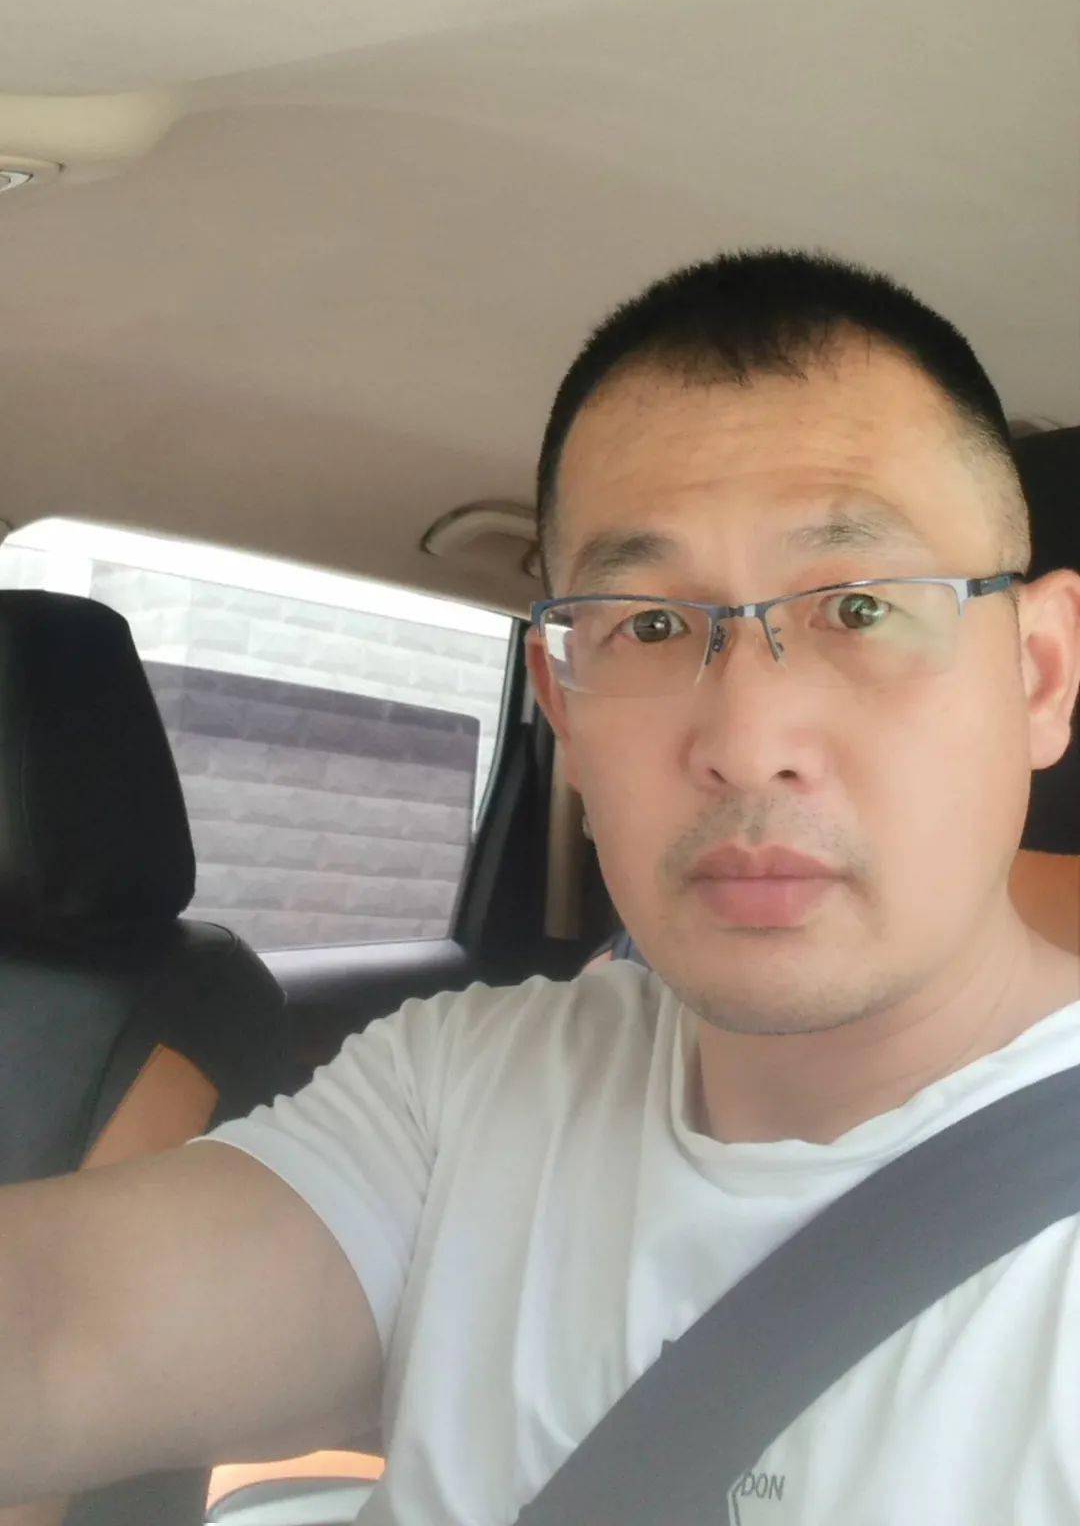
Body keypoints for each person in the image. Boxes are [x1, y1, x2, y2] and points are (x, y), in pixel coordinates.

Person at [1, 249, 1078, 1525]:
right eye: (650, 626)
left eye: (859, 608)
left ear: (1039, 675)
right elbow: (54, 1336)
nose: (747, 738)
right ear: (563, 708)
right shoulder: (465, 1088)